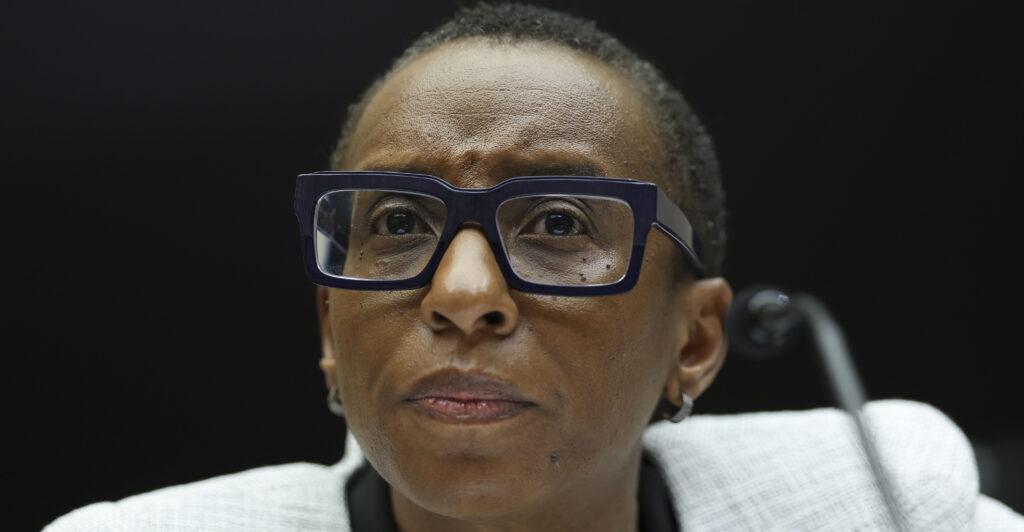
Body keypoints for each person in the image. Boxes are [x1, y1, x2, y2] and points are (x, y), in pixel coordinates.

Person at [46, 3, 1023, 531]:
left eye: (557, 219)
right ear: (327, 336)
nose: (463, 295)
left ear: (693, 341)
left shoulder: (876, 503)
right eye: (394, 220)